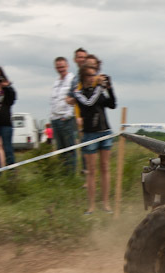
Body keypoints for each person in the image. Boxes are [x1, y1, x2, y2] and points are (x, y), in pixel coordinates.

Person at [68, 64, 117, 214]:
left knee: (105, 167)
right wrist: (100, 87)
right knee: (91, 170)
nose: (93, 78)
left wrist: (109, 88)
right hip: (90, 134)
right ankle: (91, 206)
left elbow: (112, 104)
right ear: (83, 77)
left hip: (105, 132)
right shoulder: (78, 93)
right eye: (90, 75)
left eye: (94, 74)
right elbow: (89, 103)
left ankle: (106, 204)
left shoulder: (98, 91)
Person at [49, 56, 78, 174]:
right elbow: (54, 100)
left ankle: (71, 175)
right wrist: (52, 116)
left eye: (62, 66)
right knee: (60, 149)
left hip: (66, 119)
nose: (60, 69)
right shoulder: (56, 82)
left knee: (69, 148)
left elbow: (75, 99)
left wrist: (67, 116)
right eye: (58, 67)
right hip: (55, 119)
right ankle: (63, 174)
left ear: (67, 66)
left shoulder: (73, 80)